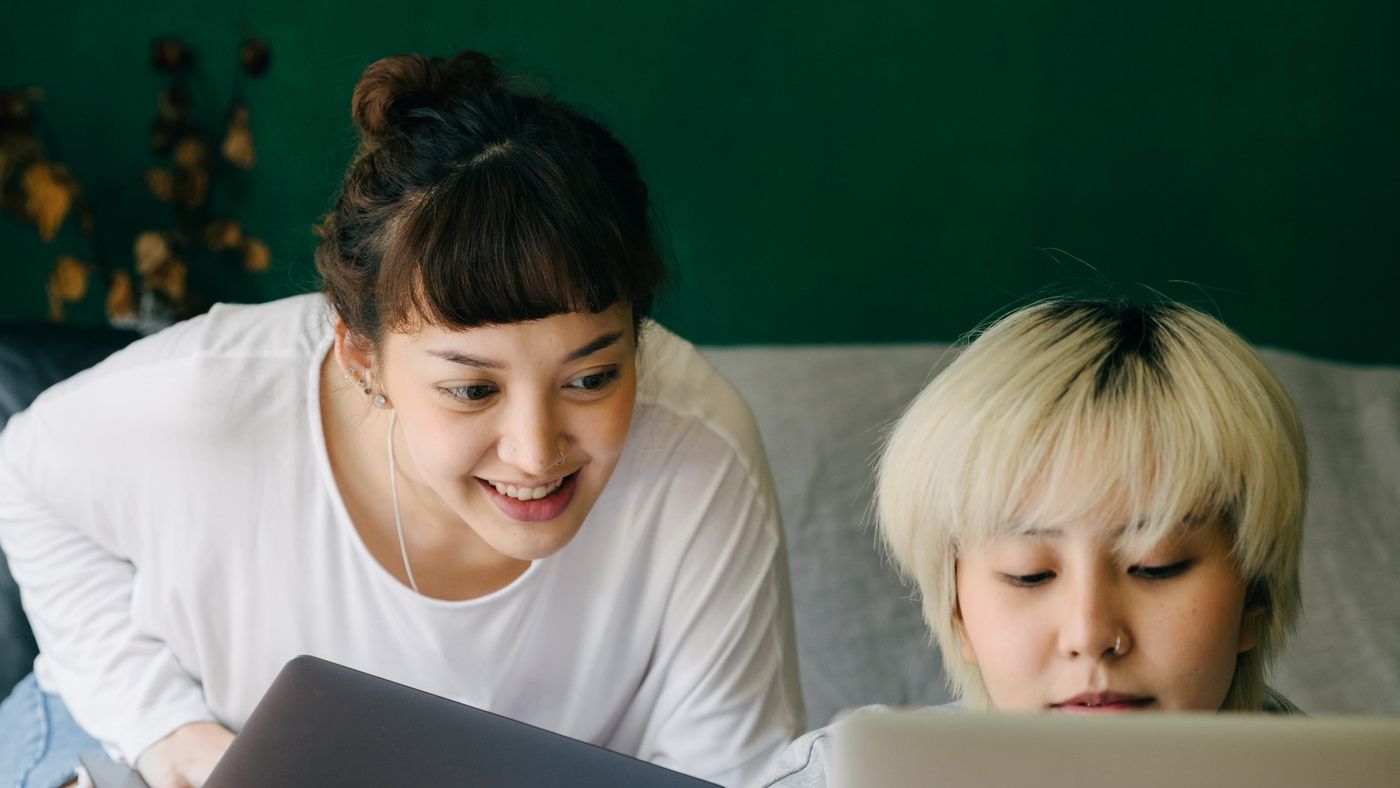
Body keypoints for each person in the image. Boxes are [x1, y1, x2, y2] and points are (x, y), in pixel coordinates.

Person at [0, 51, 803, 788]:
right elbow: (25, 475)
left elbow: (728, 773)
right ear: (361, 358)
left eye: (592, 376)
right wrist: (165, 730)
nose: (535, 452)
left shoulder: (700, 454)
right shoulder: (211, 394)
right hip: (130, 746)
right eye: (471, 391)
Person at [759, 297, 1307, 787]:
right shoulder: (848, 780)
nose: (1090, 634)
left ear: (1255, 598)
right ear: (956, 613)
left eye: (1155, 565)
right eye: (1029, 574)